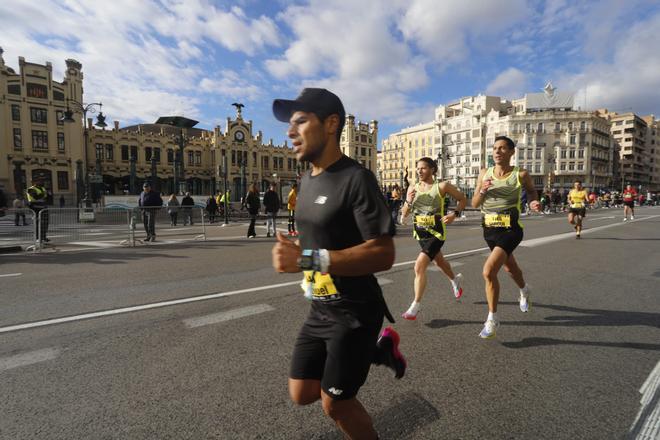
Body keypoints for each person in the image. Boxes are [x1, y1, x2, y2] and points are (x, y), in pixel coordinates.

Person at [271, 88, 406, 440]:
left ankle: (370, 347)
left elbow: (383, 253)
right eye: (290, 123)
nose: (290, 131)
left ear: (331, 124)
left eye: (300, 121)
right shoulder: (307, 179)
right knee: (301, 394)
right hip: (320, 307)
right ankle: (380, 350)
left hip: (355, 313)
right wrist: (300, 245)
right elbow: (325, 235)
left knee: (337, 406)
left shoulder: (356, 179)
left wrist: (305, 258)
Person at [472, 136, 541, 339]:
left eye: (502, 148)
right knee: (510, 267)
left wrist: (533, 203)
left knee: (488, 271)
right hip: (489, 229)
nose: (497, 151)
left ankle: (492, 318)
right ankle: (524, 289)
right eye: (495, 148)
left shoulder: (520, 174)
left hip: (511, 229)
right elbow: (475, 203)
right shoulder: (484, 173)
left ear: (512, 152)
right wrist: (483, 190)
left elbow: (531, 193)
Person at [399, 157, 467, 320]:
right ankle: (454, 280)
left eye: (423, 168)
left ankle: (415, 306)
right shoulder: (413, 188)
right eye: (417, 168)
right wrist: (409, 200)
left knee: (419, 266)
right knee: (439, 261)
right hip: (420, 233)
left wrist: (454, 214)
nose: (419, 171)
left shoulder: (441, 186)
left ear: (432, 170)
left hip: (436, 233)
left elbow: (462, 199)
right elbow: (405, 213)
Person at [26, 177, 49, 243]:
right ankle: (37, 237)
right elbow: (36, 197)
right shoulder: (30, 189)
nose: (42, 182)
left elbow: (47, 197)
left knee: (45, 223)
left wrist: (44, 194)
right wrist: (44, 194)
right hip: (35, 207)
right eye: (40, 181)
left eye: (42, 181)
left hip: (43, 207)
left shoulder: (43, 188)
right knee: (37, 223)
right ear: (34, 182)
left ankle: (43, 237)